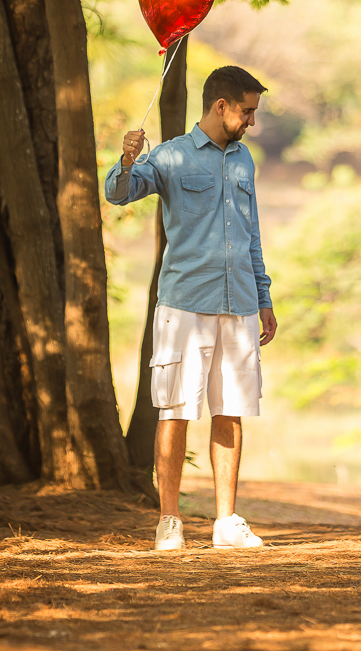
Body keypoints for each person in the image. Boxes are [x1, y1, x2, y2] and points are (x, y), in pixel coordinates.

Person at [105, 66, 278, 552]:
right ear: (220, 106)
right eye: (246, 111)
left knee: (232, 410)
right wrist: (125, 158)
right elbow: (119, 193)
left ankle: (226, 521)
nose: (250, 121)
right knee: (176, 412)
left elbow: (252, 235)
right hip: (185, 305)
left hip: (240, 303)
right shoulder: (172, 157)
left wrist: (263, 297)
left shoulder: (244, 160)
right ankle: (169, 521)